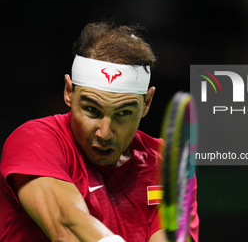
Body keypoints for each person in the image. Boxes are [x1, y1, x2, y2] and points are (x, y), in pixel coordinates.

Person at [0, 22, 199, 242]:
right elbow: (67, 224)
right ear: (68, 92)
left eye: (123, 113)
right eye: (92, 110)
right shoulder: (34, 141)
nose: (104, 133)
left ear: (147, 103)